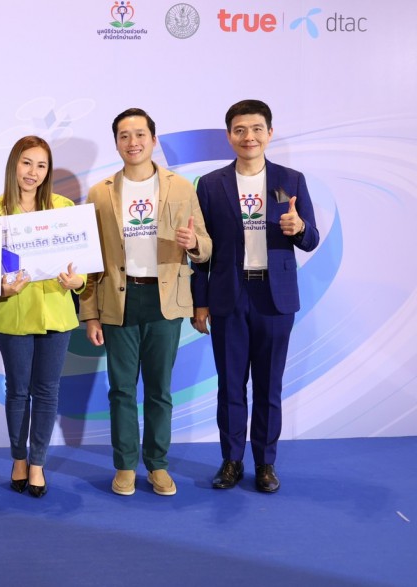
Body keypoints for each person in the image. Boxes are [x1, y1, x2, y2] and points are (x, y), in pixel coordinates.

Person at [80, 108, 211, 497]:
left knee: (159, 390)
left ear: (153, 140)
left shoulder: (181, 187)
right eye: (124, 135)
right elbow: (90, 259)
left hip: (164, 300)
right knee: (121, 390)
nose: (132, 142)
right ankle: (124, 466)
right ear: (116, 143)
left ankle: (157, 464)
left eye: (140, 134)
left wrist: (195, 244)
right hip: (118, 299)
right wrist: (90, 314)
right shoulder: (100, 192)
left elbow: (206, 246)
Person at [192, 99, 319, 494]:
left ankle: (265, 463)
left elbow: (311, 239)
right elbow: (200, 250)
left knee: (268, 385)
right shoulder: (210, 184)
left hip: (274, 298)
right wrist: (199, 302)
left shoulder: (290, 180)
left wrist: (299, 228)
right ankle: (231, 461)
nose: (249, 136)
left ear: (270, 133)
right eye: (240, 130)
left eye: (257, 129)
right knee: (231, 385)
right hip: (228, 295)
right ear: (229, 135)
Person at [0, 136, 85, 498]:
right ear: (13, 165)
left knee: (47, 391)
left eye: (41, 165)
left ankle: (37, 463)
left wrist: (77, 281)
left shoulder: (63, 207)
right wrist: (0, 286)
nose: (32, 172)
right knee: (18, 390)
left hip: (56, 311)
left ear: (48, 171)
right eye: (26, 163)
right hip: (14, 312)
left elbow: (82, 269)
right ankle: (19, 459)